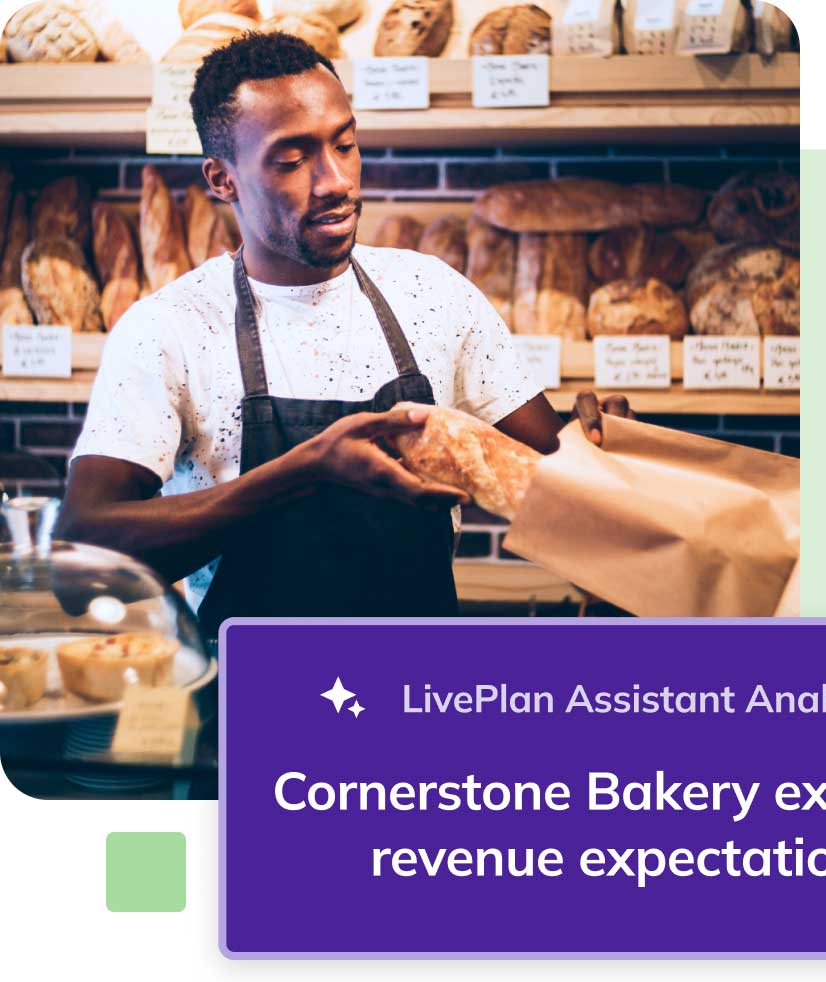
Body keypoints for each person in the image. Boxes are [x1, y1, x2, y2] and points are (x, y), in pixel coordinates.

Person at [58, 31, 628, 639]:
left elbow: (555, 473)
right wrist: (306, 471)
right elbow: (80, 566)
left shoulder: (433, 293)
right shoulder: (169, 328)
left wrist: (602, 449)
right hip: (253, 702)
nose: (334, 180)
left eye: (346, 144)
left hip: (420, 692)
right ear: (222, 180)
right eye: (292, 159)